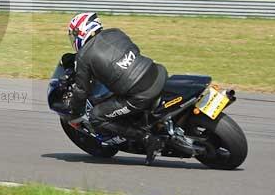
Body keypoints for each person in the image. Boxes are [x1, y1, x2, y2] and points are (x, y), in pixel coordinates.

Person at [64, 12, 193, 163]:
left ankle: (147, 139)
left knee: (96, 117)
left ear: (81, 32)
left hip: (141, 95)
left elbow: (81, 90)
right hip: (156, 72)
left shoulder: (83, 56)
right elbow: (134, 49)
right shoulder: (115, 32)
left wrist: (74, 111)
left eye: (74, 35)